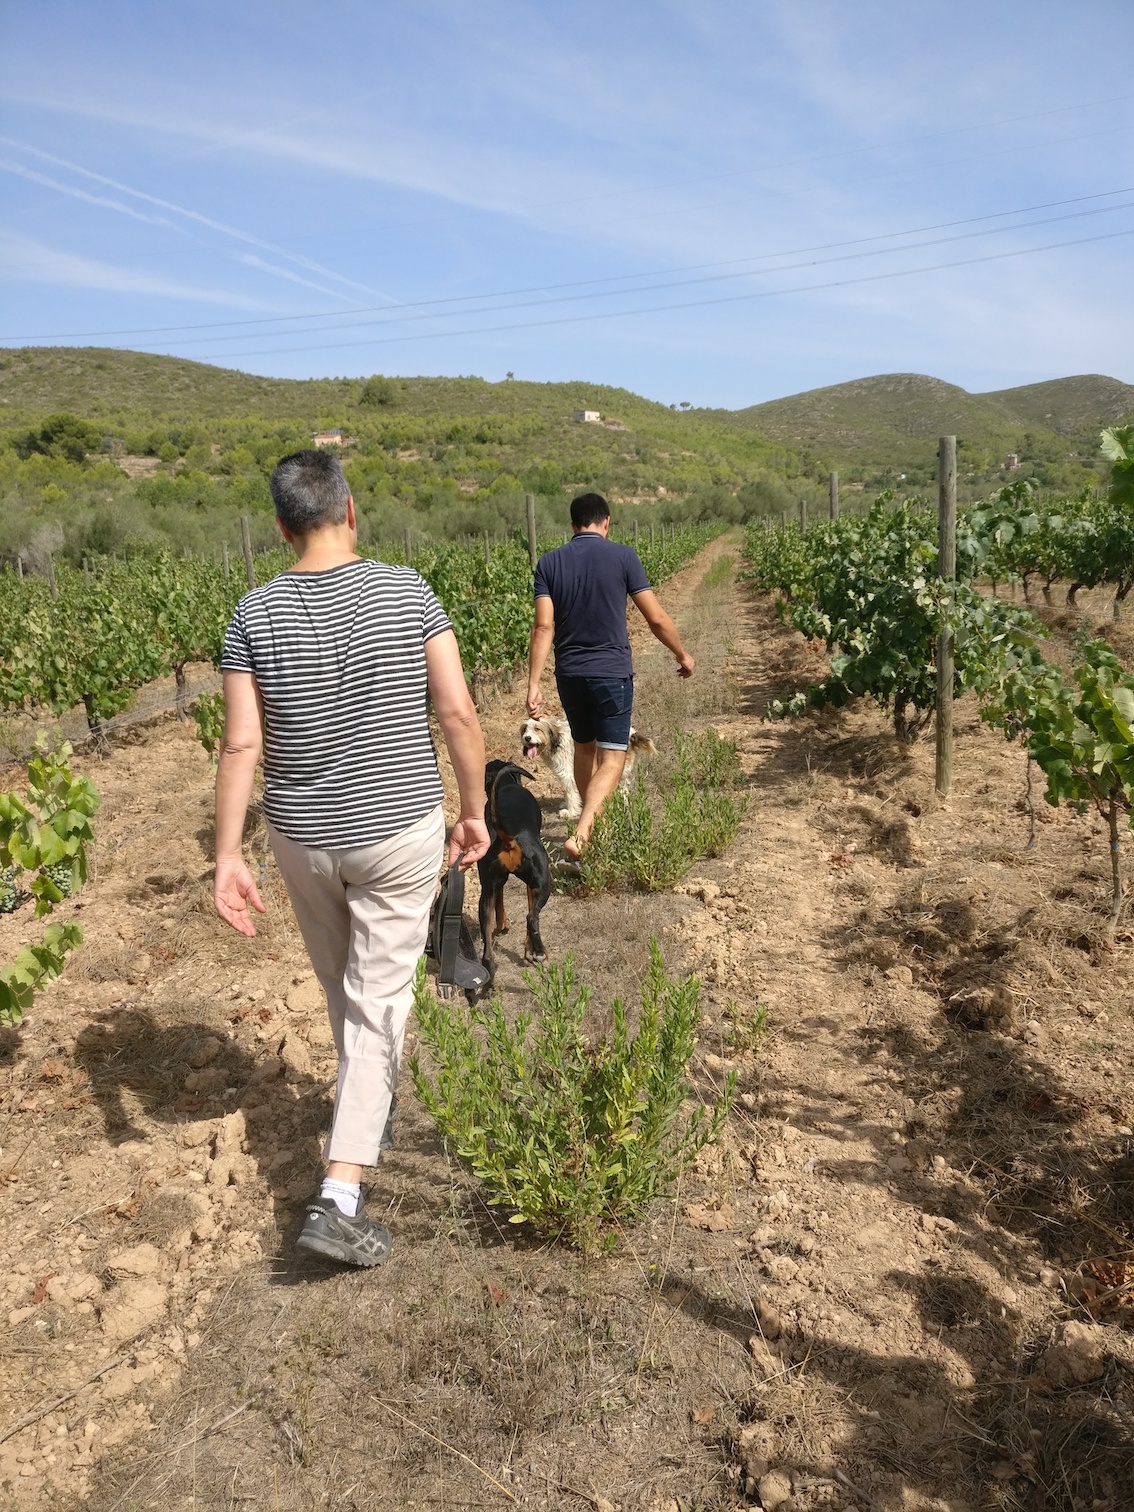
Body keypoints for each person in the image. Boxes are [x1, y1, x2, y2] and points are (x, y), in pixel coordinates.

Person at [212, 449, 490, 1268]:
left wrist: (226, 855)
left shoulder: (252, 612)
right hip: (398, 829)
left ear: (281, 527)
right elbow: (458, 712)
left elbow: (240, 745)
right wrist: (474, 809)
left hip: (303, 839)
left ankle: (366, 1107)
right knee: (379, 1001)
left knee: (347, 989)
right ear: (351, 510)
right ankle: (339, 1197)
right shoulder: (408, 591)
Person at [526, 492, 694, 861]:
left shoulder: (549, 563)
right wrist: (681, 653)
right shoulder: (623, 556)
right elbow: (655, 618)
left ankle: (591, 829)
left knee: (584, 748)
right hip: (611, 673)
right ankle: (583, 834)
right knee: (613, 757)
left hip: (570, 674)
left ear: (573, 525)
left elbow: (543, 626)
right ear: (607, 522)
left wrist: (534, 683)